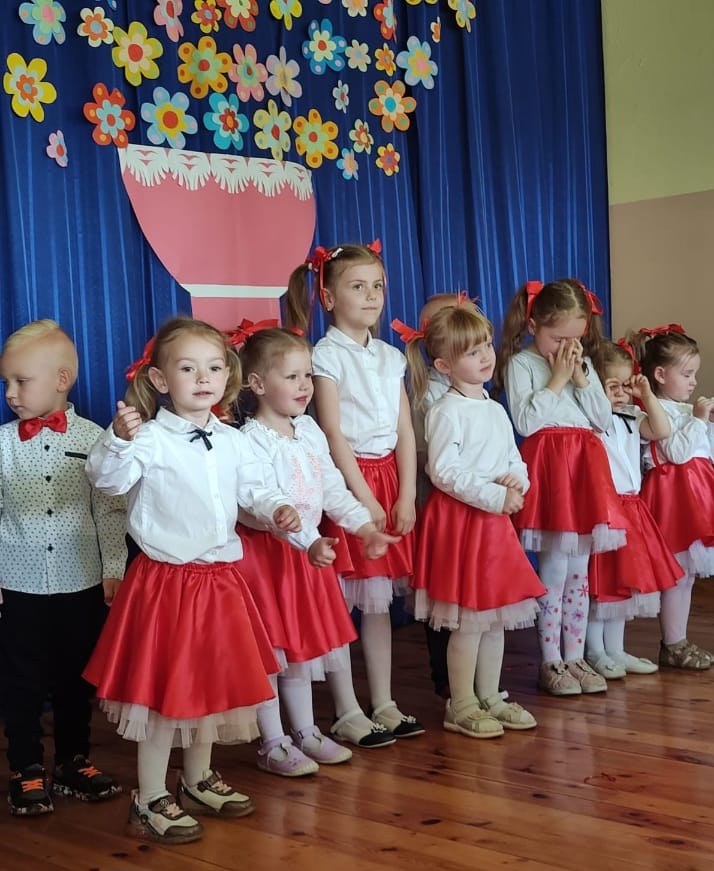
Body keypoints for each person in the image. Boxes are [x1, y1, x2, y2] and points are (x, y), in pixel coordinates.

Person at [83, 316, 300, 845]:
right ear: (160, 380)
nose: (203, 378)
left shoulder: (232, 440)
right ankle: (150, 794)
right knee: (164, 695)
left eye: (213, 368)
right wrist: (117, 440)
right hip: (167, 585)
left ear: (227, 375)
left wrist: (277, 508)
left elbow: (255, 489)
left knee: (211, 685)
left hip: (220, 582)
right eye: (187, 369)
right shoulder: (149, 439)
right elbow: (107, 481)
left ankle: (197, 779)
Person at [234, 325, 399, 774]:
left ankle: (306, 731)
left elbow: (331, 488)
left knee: (301, 649)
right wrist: (285, 519)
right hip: (269, 558)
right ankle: (274, 741)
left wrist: (363, 527)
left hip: (306, 556)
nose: (304, 385)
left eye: (307, 375)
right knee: (274, 651)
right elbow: (257, 495)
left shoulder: (308, 430)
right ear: (257, 384)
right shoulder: (248, 439)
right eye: (291, 377)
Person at [286, 241, 424, 742]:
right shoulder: (324, 356)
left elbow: (404, 429)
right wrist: (363, 498)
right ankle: (346, 710)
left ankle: (383, 702)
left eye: (377, 286)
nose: (371, 296)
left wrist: (406, 495)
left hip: (390, 479)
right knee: (342, 603)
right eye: (357, 286)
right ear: (328, 297)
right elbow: (332, 432)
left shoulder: (390, 356)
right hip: (347, 481)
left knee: (378, 603)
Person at [0, 319, 125, 816]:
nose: (11, 394)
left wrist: (114, 566)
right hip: (18, 585)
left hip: (81, 582)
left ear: (61, 379)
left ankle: (74, 761)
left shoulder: (97, 439)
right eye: (6, 383)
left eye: (21, 381)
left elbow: (109, 510)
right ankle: (26, 767)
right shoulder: (3, 445)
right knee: (21, 681)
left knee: (77, 678)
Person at [404, 304, 545, 736]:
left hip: (493, 524)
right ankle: (461, 703)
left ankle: (491, 695)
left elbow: (513, 458)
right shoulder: (445, 410)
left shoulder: (494, 408)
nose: (486, 356)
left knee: (494, 618)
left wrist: (517, 482)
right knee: (468, 621)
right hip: (463, 523)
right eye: (472, 352)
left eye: (486, 346)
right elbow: (443, 471)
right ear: (444, 366)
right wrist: (494, 495)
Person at [493, 279, 626, 696]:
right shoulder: (522, 364)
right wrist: (556, 379)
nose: (567, 347)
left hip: (584, 466)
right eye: (558, 338)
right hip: (551, 467)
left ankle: (576, 656)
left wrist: (581, 379)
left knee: (580, 569)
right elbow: (526, 422)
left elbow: (603, 419)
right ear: (534, 326)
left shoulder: (582, 365)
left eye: (575, 339)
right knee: (553, 568)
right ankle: (551, 661)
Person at [397, 292, 479, 700]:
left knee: (473, 584)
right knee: (443, 587)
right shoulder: (426, 392)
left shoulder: (476, 389)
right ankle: (447, 677)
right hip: (441, 499)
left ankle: (477, 674)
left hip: (475, 499)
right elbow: (427, 454)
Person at [585, 341, 682, 678]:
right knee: (601, 584)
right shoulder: (590, 420)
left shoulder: (631, 415)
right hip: (605, 509)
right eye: (612, 386)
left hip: (631, 507)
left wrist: (646, 396)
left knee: (623, 583)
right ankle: (595, 651)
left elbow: (662, 430)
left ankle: (615, 649)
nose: (620, 393)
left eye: (626, 385)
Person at [626, 324, 714, 669]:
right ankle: (673, 643)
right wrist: (697, 420)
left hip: (696, 494)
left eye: (695, 374)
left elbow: (705, 453)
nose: (693, 382)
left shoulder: (686, 410)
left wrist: (708, 423)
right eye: (687, 374)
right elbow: (676, 453)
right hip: (672, 498)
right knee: (677, 573)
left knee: (686, 574)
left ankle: (677, 640)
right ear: (660, 375)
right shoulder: (653, 411)